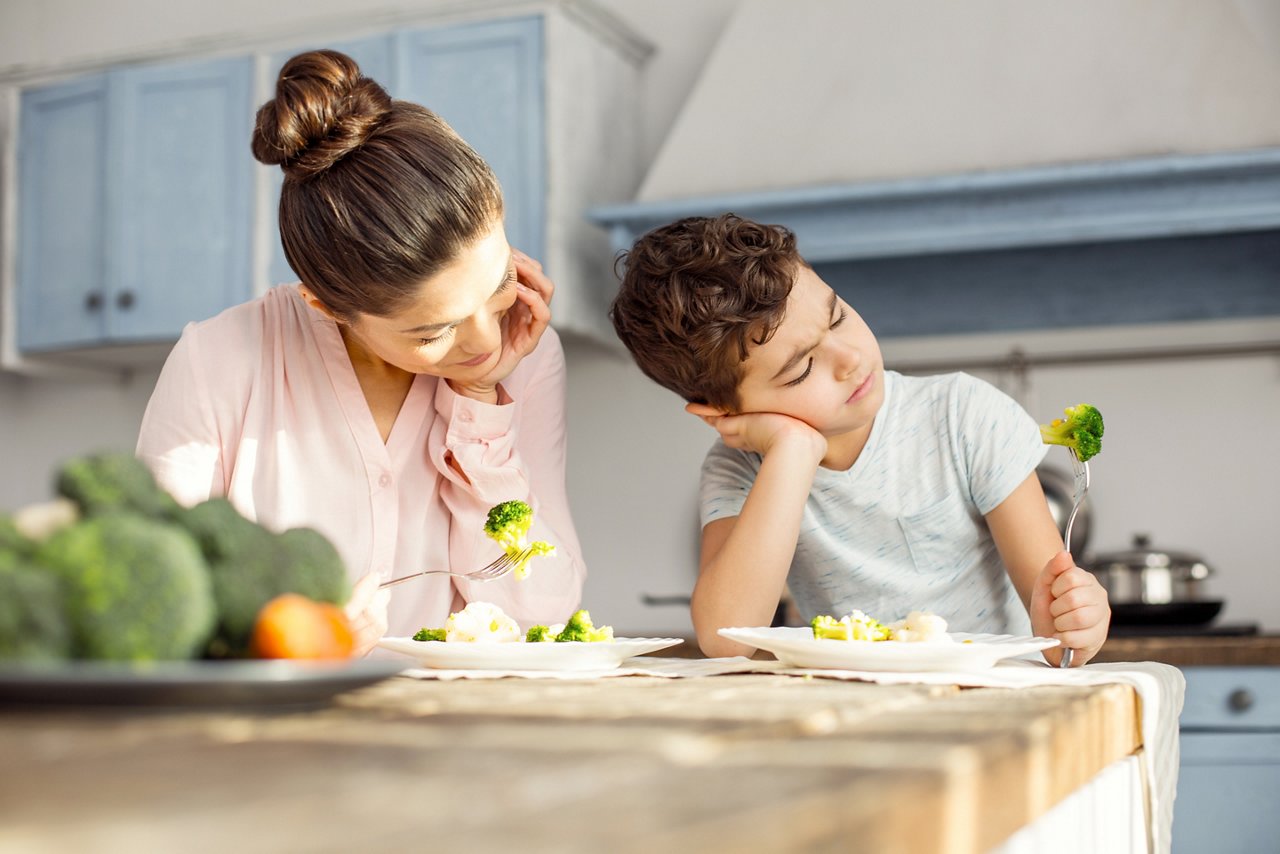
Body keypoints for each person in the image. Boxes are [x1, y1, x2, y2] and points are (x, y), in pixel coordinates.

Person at [136, 50, 586, 654]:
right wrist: (281, 633)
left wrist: (481, 408)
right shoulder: (218, 359)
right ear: (325, 303)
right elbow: (154, 605)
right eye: (433, 333)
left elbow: (546, 617)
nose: (485, 342)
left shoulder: (526, 358)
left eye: (500, 284)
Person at [608, 213, 1109, 664]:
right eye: (802, 368)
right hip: (852, 709)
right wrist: (793, 450)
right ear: (724, 411)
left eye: (837, 316)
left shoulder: (965, 416)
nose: (849, 358)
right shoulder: (740, 467)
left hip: (991, 698)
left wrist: (1077, 620)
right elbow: (727, 638)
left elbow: (1055, 630)